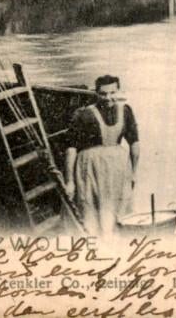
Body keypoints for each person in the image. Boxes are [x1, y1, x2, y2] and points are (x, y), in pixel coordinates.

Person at [64, 75, 140, 235]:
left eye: (112, 93)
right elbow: (71, 148)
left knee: (118, 207)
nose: (108, 98)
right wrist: (70, 181)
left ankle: (116, 242)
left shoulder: (126, 111)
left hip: (118, 169)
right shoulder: (83, 114)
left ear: (118, 91)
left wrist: (134, 172)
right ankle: (93, 243)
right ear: (96, 93)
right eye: (103, 94)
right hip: (91, 169)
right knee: (90, 208)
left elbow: (134, 142)